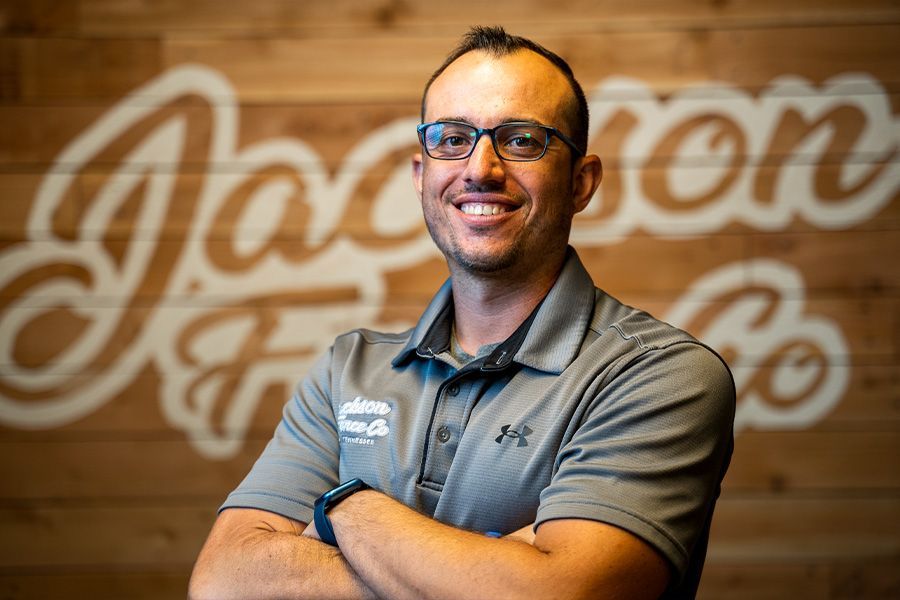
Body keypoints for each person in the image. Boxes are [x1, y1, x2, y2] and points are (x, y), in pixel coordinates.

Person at [189, 25, 735, 600]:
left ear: (580, 182)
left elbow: (563, 594)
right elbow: (223, 583)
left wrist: (347, 511)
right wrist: (496, 568)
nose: (480, 168)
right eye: (451, 138)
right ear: (421, 175)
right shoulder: (346, 371)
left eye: (522, 140)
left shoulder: (661, 376)